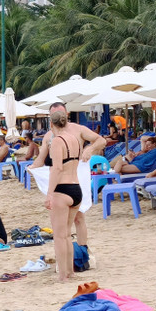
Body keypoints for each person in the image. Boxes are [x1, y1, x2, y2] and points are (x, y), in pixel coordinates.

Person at [33, 102, 104, 282]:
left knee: (60, 236)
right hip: (76, 188)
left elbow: (56, 169)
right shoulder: (73, 139)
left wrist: (49, 194)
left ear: (51, 122)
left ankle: (64, 274)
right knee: (66, 234)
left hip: (62, 190)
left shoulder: (57, 140)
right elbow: (42, 159)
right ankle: (70, 271)